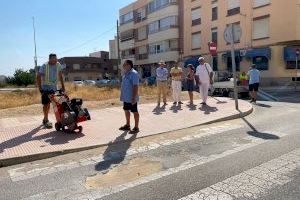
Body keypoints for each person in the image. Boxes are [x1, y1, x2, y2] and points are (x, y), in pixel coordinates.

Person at [37, 53, 65, 129]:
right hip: (45, 88)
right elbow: (38, 76)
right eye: (53, 59)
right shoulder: (44, 66)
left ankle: (57, 119)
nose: (55, 60)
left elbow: (60, 75)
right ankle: (45, 120)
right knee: (46, 104)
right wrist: (40, 88)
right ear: (49, 59)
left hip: (53, 88)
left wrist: (63, 86)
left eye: (56, 59)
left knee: (56, 104)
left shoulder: (58, 64)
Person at [119, 60, 140, 134]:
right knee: (126, 110)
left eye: (124, 64)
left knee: (134, 111)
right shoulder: (125, 74)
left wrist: (134, 97)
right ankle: (127, 125)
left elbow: (135, 86)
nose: (123, 66)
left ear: (129, 65)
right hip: (126, 97)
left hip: (132, 97)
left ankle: (136, 127)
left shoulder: (134, 74)